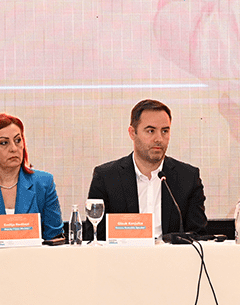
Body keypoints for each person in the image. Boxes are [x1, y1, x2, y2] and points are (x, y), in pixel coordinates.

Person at [86, 99, 207, 241]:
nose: (159, 139)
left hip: (173, 260)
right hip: (122, 260)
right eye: (150, 131)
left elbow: (198, 235)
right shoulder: (107, 177)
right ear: (132, 133)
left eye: (165, 131)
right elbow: (93, 237)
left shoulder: (187, 177)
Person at [0, 113, 63, 242]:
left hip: (35, 260)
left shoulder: (44, 183)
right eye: (4, 143)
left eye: (18, 140)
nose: (14, 148)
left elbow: (55, 238)